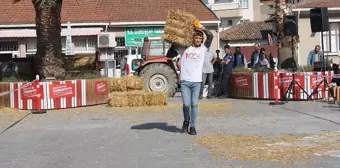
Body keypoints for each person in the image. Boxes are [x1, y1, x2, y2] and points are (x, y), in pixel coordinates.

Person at [166, 22, 213, 135]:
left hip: (197, 82)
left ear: (202, 40)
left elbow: (210, 36)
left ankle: (192, 127)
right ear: (192, 38)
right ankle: (186, 121)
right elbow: (169, 55)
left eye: (200, 38)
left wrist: (201, 27)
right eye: (196, 37)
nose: (198, 39)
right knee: (186, 104)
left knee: (194, 104)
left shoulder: (203, 49)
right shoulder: (184, 48)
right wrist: (174, 42)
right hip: (185, 81)